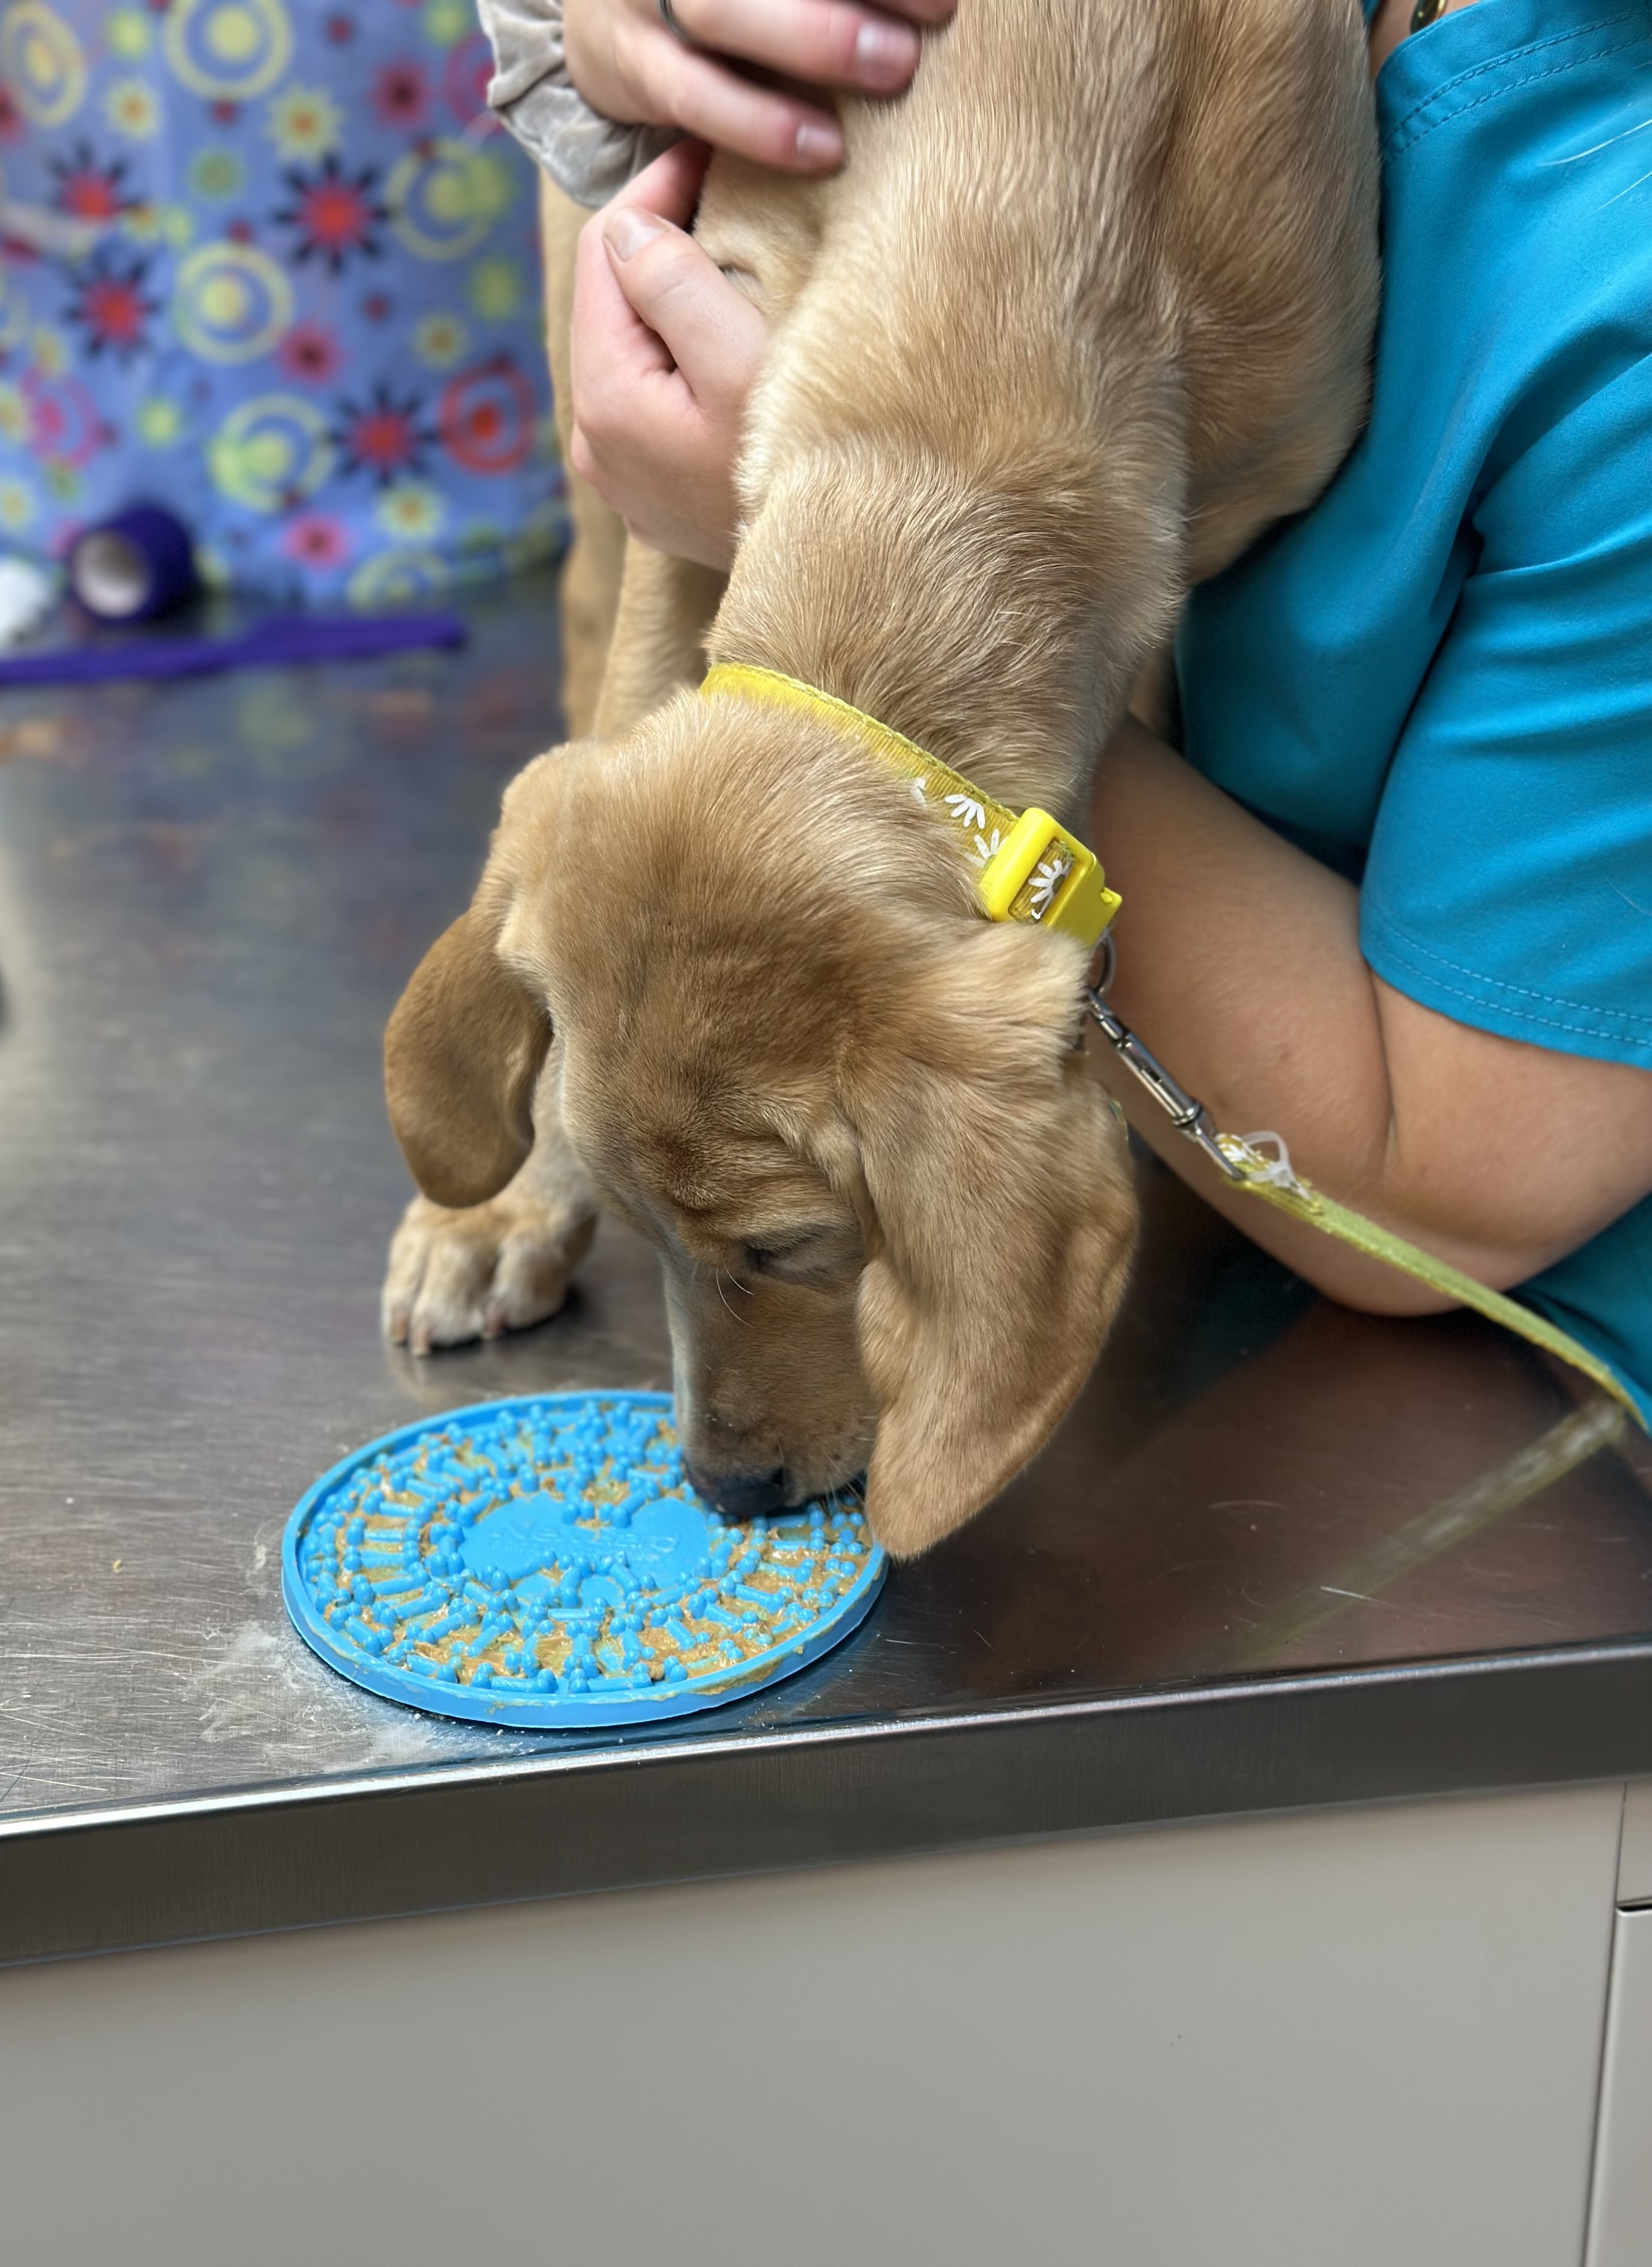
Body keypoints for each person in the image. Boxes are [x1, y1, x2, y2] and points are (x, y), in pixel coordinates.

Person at [488, 0, 1652, 1424]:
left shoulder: (1603, 269)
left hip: (1517, 1410)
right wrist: (579, 38)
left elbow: (1446, 1193)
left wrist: (848, 607)